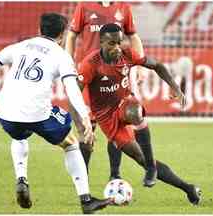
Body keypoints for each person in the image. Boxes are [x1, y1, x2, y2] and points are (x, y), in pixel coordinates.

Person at [0, 13, 111, 214]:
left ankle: (21, 179)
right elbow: (72, 89)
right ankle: (86, 200)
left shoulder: (20, 46)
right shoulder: (61, 56)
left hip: (5, 112)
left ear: (39, 30)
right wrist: (85, 117)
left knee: (19, 135)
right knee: (71, 144)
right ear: (62, 35)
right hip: (37, 113)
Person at [77, 23, 202, 205]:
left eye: (120, 42)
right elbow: (74, 92)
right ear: (102, 42)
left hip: (124, 104)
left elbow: (156, 65)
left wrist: (175, 88)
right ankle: (188, 188)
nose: (117, 47)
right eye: (112, 43)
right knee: (139, 157)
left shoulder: (127, 54)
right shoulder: (90, 64)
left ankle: (151, 168)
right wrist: (82, 121)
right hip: (105, 117)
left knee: (134, 110)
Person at [66, 2, 157, 186]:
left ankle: (115, 174)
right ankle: (83, 176)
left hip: (116, 73)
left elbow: (133, 36)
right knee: (87, 127)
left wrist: (139, 63)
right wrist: (68, 62)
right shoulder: (84, 6)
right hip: (90, 75)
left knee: (118, 124)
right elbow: (71, 35)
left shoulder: (124, 7)